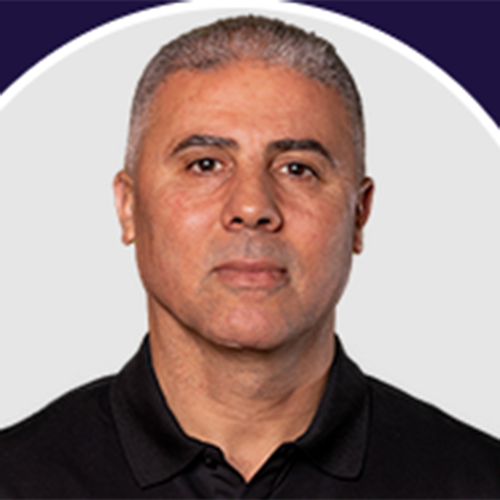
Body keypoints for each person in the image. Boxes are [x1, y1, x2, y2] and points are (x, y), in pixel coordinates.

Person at [1, 15, 499, 499]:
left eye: (297, 169)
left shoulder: (478, 482)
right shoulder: (16, 480)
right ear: (129, 207)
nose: (252, 207)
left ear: (359, 214)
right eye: (205, 164)